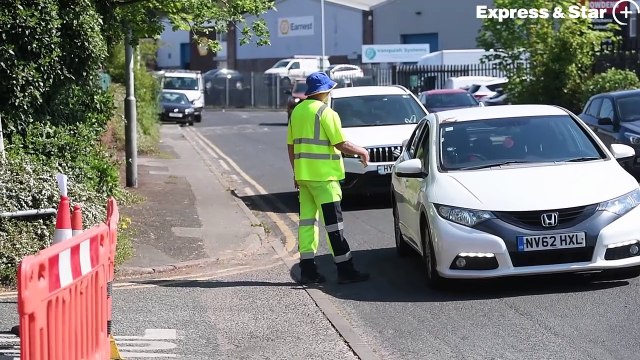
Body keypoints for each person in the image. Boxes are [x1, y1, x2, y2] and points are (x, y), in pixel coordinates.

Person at [286, 72, 371, 285]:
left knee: (307, 224)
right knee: (334, 226)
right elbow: (340, 143)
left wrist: (296, 172)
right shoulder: (326, 112)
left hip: (304, 177)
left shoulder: (297, 111)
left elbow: (290, 146)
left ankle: (308, 271)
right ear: (324, 91)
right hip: (325, 178)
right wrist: (361, 151)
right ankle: (345, 270)